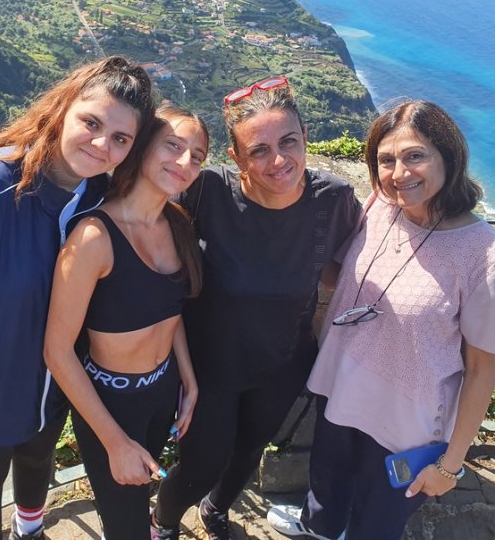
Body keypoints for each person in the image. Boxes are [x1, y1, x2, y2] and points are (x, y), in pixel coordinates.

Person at [0, 56, 156, 540]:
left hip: (55, 388)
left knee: (38, 462)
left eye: (121, 138)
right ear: (63, 109)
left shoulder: (98, 197)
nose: (102, 145)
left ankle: (31, 529)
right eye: (91, 123)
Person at [267, 100, 495, 540]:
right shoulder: (380, 206)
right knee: (327, 482)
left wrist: (450, 466)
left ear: (449, 156)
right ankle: (318, 529)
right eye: (386, 160)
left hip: (407, 420)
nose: (399, 173)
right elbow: (338, 275)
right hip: (341, 384)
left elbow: (482, 369)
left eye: (415, 156)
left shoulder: (481, 253)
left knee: (378, 520)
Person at [151, 77, 362, 540]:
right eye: (259, 150)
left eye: (288, 141)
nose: (279, 159)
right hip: (209, 367)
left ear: (306, 137)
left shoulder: (333, 199)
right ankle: (163, 523)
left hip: (283, 363)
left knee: (249, 450)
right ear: (237, 158)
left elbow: (350, 267)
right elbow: (144, 215)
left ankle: (215, 510)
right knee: (200, 465)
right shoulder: (206, 191)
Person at [44, 105, 209, 540]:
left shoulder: (178, 225)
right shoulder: (94, 237)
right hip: (111, 405)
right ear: (142, 147)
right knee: (126, 525)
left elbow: (171, 312)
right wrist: (115, 443)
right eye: (173, 146)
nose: (185, 162)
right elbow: (57, 351)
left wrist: (188, 380)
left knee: (140, 497)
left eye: (197, 156)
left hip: (162, 391)